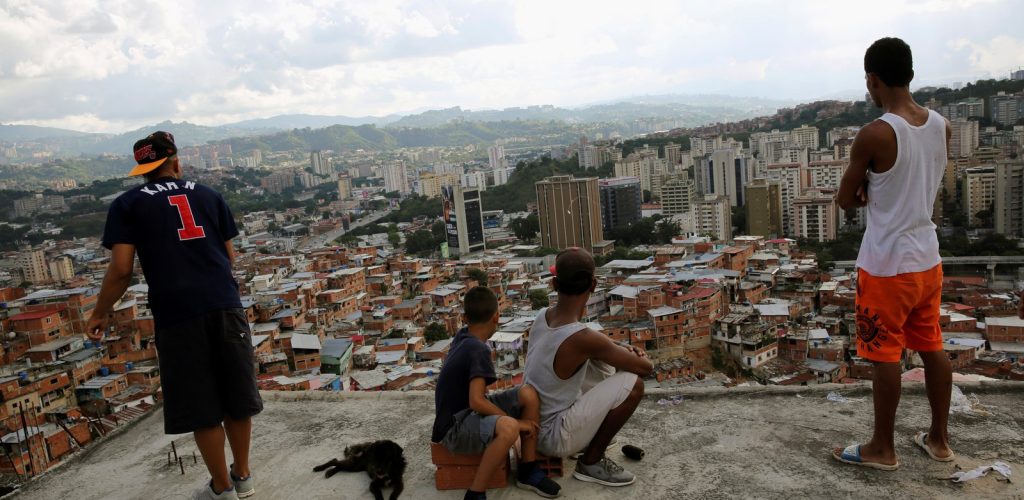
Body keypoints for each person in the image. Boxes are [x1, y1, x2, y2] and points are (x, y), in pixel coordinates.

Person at [86, 131, 262, 499]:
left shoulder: (128, 204)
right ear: (176, 162)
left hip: (178, 314)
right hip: (225, 304)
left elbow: (121, 270)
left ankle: (221, 488)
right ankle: (243, 474)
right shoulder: (209, 195)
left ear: (143, 170)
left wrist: (100, 312)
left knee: (202, 406)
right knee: (236, 395)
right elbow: (229, 257)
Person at [832, 37, 953, 470]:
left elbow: (845, 199)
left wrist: (863, 185)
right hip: (927, 258)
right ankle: (939, 440)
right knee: (932, 347)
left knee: (885, 356)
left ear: (872, 80)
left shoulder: (876, 133)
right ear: (912, 75)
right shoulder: (942, 124)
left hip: (887, 265)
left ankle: (883, 448)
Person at [524, 248, 653, 486]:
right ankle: (591, 461)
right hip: (553, 437)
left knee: (601, 350)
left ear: (554, 284)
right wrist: (632, 354)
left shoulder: (543, 316)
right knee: (633, 384)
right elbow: (646, 368)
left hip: (531, 429)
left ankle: (589, 439)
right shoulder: (582, 338)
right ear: (593, 285)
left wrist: (617, 347)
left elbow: (590, 342)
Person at [432, 286, 561, 500]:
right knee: (509, 428)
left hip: (466, 412)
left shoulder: (464, 335)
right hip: (453, 427)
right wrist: (517, 423)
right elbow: (476, 402)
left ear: (464, 318)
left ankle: (528, 469)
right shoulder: (478, 349)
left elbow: (476, 399)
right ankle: (475, 493)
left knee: (528, 394)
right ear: (496, 316)